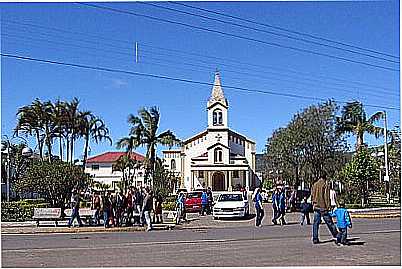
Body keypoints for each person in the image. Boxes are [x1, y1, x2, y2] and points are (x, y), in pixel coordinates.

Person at [311, 174, 338, 244]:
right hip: (323, 207)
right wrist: (328, 206)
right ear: (325, 177)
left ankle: (315, 238)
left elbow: (312, 195)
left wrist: (313, 203)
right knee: (329, 223)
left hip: (316, 206)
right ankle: (337, 235)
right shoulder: (325, 185)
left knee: (316, 224)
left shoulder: (315, 184)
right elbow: (326, 197)